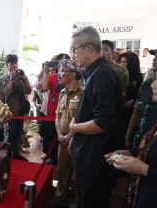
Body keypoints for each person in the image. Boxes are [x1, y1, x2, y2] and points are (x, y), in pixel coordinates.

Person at [69, 26, 123, 208]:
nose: (73, 54)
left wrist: (74, 128)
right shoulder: (95, 73)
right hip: (88, 153)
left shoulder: (102, 74)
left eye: (75, 49)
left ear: (89, 48)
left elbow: (103, 122)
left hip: (95, 158)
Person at [105, 78, 157, 208]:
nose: (153, 85)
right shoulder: (154, 112)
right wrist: (130, 153)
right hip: (139, 193)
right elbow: (146, 147)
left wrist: (144, 169)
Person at [55, 58, 84, 207]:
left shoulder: (84, 92)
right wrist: (60, 135)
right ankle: (60, 202)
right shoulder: (62, 92)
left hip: (79, 140)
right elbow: (57, 116)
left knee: (80, 175)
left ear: (72, 74)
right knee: (62, 172)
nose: (58, 73)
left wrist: (69, 136)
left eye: (62, 70)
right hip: (63, 140)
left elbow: (83, 120)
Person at [1, 54, 31, 161]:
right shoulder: (4, 78)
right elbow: (7, 92)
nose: (14, 65)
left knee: (18, 133)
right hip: (10, 112)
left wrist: (23, 79)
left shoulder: (21, 76)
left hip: (20, 110)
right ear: (7, 65)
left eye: (15, 63)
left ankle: (16, 153)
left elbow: (28, 91)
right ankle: (8, 154)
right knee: (10, 134)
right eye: (11, 63)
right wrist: (12, 79)